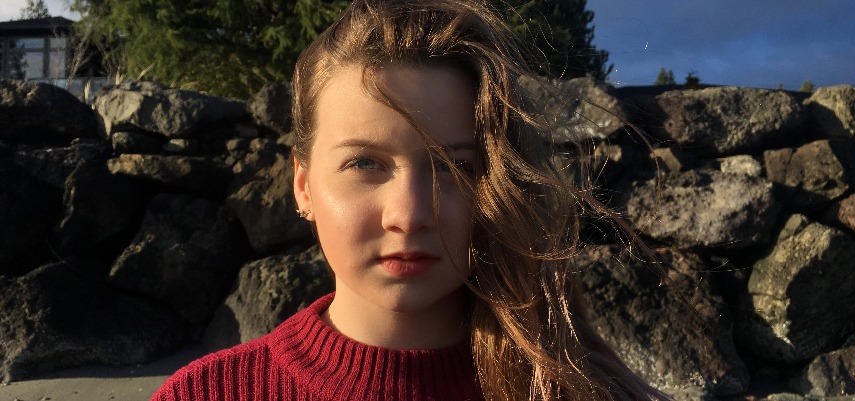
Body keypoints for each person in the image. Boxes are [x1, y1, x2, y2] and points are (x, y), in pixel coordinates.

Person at [152, 0, 669, 400]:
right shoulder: (204, 393)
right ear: (303, 186)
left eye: (454, 167)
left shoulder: (581, 390)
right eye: (365, 164)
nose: (410, 215)